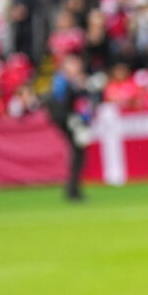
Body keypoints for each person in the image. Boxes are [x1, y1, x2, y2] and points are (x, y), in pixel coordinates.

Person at [45, 54, 94, 200]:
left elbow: (84, 103)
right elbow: (58, 103)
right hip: (68, 119)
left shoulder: (75, 81)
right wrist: (71, 119)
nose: (77, 67)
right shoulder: (61, 81)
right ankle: (73, 190)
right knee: (77, 153)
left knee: (79, 153)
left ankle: (73, 189)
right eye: (73, 64)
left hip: (75, 120)